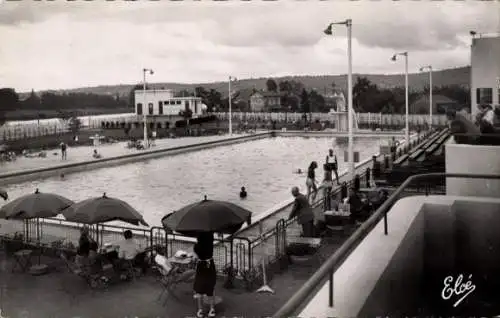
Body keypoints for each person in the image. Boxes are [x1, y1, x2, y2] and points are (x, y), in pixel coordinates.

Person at [193, 232, 217, 318]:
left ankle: (200, 310)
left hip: (201, 267)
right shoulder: (210, 244)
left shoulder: (196, 246)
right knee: (211, 288)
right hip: (210, 265)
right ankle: (212, 309)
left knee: (199, 289)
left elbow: (197, 256)